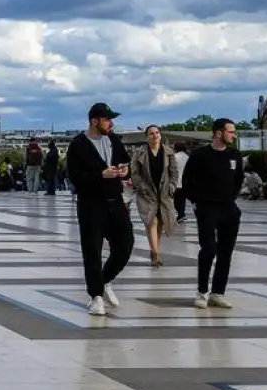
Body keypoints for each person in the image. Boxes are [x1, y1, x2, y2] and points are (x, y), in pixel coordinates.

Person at [65, 102, 134, 317]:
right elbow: (75, 177)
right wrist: (100, 176)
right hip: (91, 203)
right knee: (92, 250)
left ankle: (104, 280)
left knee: (125, 245)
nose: (111, 123)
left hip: (115, 200)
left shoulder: (114, 140)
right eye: (107, 120)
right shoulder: (78, 145)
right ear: (95, 121)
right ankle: (95, 296)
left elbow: (125, 162)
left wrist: (124, 171)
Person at [182, 118, 243, 309]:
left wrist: (231, 199)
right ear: (218, 133)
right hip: (207, 208)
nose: (233, 135)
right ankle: (202, 292)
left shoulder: (235, 155)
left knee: (226, 252)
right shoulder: (200, 155)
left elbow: (239, 180)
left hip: (228, 208)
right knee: (208, 250)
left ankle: (218, 292)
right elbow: (187, 180)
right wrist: (196, 202)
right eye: (230, 132)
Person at [128, 124, 178, 267]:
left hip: (163, 193)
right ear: (146, 137)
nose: (155, 135)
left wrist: (172, 186)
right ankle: (156, 254)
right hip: (147, 193)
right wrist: (141, 186)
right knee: (151, 221)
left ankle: (154, 249)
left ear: (160, 135)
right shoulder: (140, 153)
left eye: (157, 133)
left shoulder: (169, 152)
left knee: (160, 222)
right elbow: (135, 173)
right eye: (151, 133)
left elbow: (174, 173)